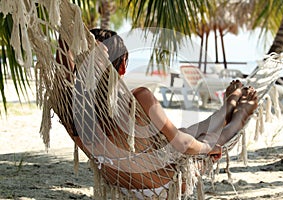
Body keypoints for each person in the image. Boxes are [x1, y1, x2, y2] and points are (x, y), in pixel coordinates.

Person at [56, 28, 258, 198]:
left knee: (183, 131)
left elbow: (62, 71)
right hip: (163, 188)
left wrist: (65, 32)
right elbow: (183, 145)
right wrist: (207, 149)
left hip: (123, 189)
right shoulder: (138, 98)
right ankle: (239, 114)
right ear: (124, 65)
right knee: (207, 139)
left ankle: (227, 107)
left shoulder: (69, 109)